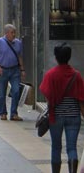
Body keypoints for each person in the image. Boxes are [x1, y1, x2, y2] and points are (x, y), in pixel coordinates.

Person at [39, 44, 84, 173]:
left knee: (56, 147)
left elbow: (45, 92)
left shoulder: (51, 75)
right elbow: (81, 98)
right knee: (72, 147)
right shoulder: (76, 75)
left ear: (56, 57)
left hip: (56, 116)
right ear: (69, 57)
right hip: (74, 116)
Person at [0, 24, 25, 121]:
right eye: (12, 33)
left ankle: (14, 113)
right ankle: (3, 113)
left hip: (15, 70)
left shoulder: (18, 43)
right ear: (6, 33)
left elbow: (19, 56)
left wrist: (22, 69)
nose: (14, 35)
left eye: (14, 33)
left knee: (16, 91)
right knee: (2, 93)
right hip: (3, 70)